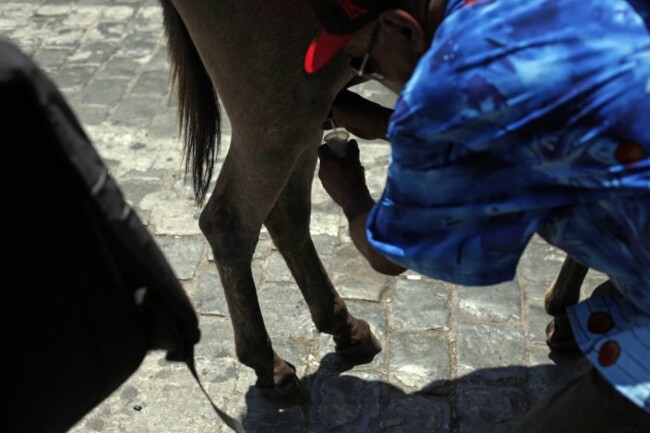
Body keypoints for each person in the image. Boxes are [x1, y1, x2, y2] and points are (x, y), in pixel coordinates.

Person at [304, 0, 650, 431]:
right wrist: (397, 128)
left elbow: (389, 254)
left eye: (364, 63)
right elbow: (526, 117)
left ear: (403, 29)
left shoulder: (447, 86)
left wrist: (352, 196)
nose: (370, 74)